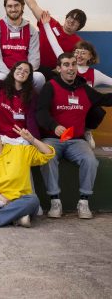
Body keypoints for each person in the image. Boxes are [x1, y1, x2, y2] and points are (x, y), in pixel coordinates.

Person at [36, 52, 112, 220]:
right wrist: (54, 126)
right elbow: (40, 112)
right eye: (66, 65)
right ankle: (55, 201)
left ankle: (84, 202)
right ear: (59, 68)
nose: (71, 68)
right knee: (47, 158)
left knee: (90, 160)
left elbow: (105, 99)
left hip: (76, 140)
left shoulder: (84, 88)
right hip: (52, 139)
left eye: (73, 64)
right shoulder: (50, 86)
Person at [0, 128, 56, 228]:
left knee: (33, 200)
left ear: (0, 138)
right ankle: (17, 218)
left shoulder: (20, 150)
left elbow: (48, 153)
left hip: (20, 200)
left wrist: (32, 139)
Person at [14, 0, 85, 74]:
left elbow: (75, 64)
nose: (72, 21)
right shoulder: (49, 22)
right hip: (33, 67)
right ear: (66, 17)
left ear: (80, 26)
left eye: (76, 20)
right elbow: (33, 6)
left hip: (56, 73)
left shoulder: (78, 42)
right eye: (71, 17)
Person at [0, 0, 45, 91]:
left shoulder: (31, 29)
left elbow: (34, 59)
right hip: (3, 72)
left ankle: (31, 101)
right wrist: (10, 75)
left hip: (24, 72)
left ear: (22, 6)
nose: (13, 9)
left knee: (39, 77)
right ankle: (0, 102)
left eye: (16, 5)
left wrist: (23, 74)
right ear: (5, 8)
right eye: (9, 6)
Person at [0, 51, 40, 142]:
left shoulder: (32, 95)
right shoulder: (1, 87)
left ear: (29, 76)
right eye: (19, 69)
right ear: (13, 71)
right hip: (0, 138)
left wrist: (35, 141)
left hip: (20, 139)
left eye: (26, 71)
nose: (22, 72)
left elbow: (31, 120)